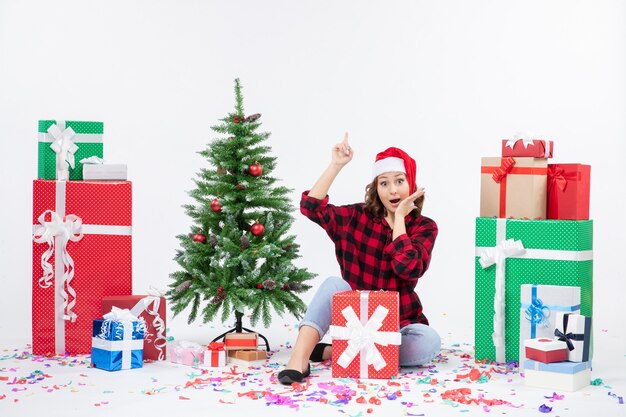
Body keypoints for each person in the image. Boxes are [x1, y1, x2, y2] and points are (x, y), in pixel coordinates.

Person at [277, 132, 440, 385]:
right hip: (354, 318)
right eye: (384, 183)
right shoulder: (357, 217)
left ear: (412, 185)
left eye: (399, 181)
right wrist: (336, 165)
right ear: (376, 188)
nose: (392, 190)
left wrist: (399, 222)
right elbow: (311, 208)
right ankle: (299, 358)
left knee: (429, 342)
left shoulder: (424, 227)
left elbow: (407, 268)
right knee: (334, 284)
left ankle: (338, 352)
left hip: (397, 324)